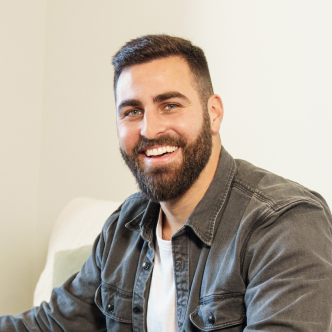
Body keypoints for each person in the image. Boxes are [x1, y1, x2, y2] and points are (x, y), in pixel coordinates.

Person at [1, 34, 332, 332]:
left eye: (170, 105)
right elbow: (51, 323)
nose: (150, 129)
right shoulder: (124, 227)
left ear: (213, 112)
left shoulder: (285, 224)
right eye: (132, 111)